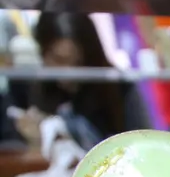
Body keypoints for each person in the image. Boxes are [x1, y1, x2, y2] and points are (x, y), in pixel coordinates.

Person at [11, 12, 149, 149]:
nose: (68, 73)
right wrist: (36, 141)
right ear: (42, 51)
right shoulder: (36, 89)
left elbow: (143, 144)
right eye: (59, 60)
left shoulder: (119, 87)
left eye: (78, 62)